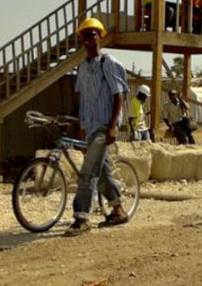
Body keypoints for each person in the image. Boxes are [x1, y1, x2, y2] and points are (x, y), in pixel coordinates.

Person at [65, 17, 130, 237]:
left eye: (92, 35)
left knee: (88, 171)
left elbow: (118, 95)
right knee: (101, 171)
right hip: (90, 126)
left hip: (104, 125)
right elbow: (82, 99)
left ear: (99, 37)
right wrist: (80, 126)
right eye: (84, 36)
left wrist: (112, 126)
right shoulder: (83, 67)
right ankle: (118, 210)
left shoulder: (108, 63)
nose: (88, 40)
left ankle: (81, 217)